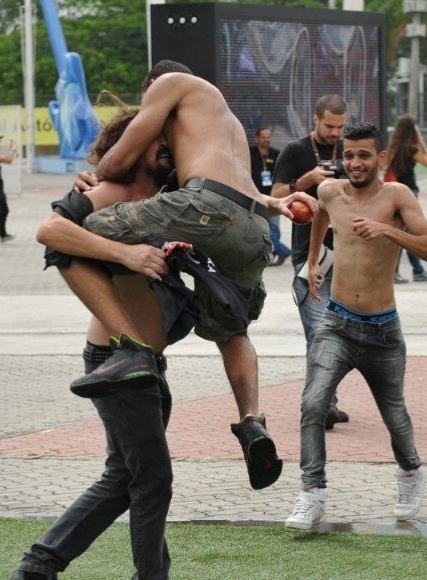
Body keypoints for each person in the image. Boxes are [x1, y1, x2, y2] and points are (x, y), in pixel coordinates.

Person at [75, 61, 318, 483]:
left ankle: (128, 344)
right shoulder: (227, 123)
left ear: (154, 87)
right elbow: (234, 184)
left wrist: (95, 179)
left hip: (206, 209)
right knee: (232, 330)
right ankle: (251, 420)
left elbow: (119, 162)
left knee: (79, 230)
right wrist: (276, 203)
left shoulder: (171, 85)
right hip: (253, 227)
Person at [6, 109, 198, 580]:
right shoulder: (112, 193)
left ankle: (38, 569)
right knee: (151, 479)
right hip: (118, 363)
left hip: (146, 363)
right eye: (159, 141)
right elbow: (51, 231)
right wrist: (127, 255)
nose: (169, 149)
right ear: (131, 146)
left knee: (124, 476)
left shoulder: (165, 199)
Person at [284, 122, 427, 529]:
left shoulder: (397, 196)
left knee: (394, 415)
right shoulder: (330, 191)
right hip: (336, 323)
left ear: (381, 158)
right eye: (348, 155)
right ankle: (311, 494)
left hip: (383, 330)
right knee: (314, 403)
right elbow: (319, 217)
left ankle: (410, 473)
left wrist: (387, 230)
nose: (354, 163)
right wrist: (315, 261)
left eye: (364, 155)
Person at [272, 94, 352, 427]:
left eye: (340, 127)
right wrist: (304, 182)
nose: (335, 133)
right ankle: (321, 404)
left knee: (341, 334)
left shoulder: (351, 152)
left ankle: (326, 398)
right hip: (311, 257)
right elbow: (274, 198)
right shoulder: (295, 151)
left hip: (348, 256)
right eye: (330, 126)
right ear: (315, 120)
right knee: (319, 332)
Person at [385, 115, 427, 282]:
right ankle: (402, 271)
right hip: (409, 194)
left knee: (407, 231)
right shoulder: (412, 149)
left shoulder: (393, 149)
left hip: (394, 193)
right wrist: (420, 140)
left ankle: (416, 269)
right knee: (409, 233)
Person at [249, 126, 291, 266]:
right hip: (255, 195)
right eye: (263, 137)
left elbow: (282, 173)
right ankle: (281, 250)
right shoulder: (250, 153)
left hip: (274, 196)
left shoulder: (276, 154)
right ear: (257, 138)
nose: (266, 140)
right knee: (259, 227)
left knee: (274, 227)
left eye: (268, 137)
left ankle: (273, 252)